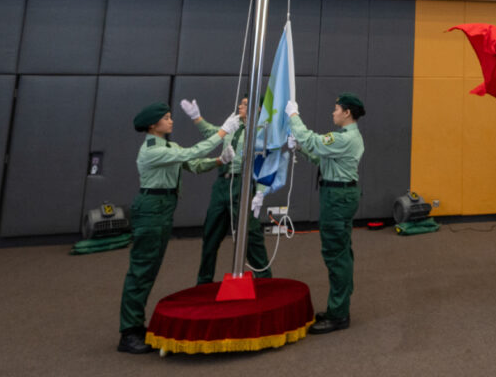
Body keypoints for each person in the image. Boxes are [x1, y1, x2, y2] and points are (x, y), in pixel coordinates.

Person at [117, 102, 241, 353]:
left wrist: (220, 160)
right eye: (166, 118)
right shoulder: (152, 150)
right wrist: (223, 132)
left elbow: (193, 165)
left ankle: (136, 325)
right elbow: (191, 153)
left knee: (150, 266)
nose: (171, 121)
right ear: (153, 125)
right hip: (152, 207)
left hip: (162, 207)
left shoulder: (168, 146)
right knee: (142, 269)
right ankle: (129, 332)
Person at [287, 93, 365, 334]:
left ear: (347, 113)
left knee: (336, 255)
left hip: (337, 198)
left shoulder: (345, 138)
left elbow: (313, 141)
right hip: (339, 195)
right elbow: (322, 159)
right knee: (341, 251)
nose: (333, 112)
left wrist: (293, 116)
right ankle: (337, 308)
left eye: (336, 109)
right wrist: (300, 148)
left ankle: (339, 314)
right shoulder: (344, 138)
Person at [193, 97, 272, 285]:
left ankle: (266, 281)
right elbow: (212, 132)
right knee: (210, 235)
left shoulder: (261, 133)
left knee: (251, 237)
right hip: (222, 184)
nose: (239, 106)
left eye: (244, 104)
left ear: (257, 108)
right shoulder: (233, 126)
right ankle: (203, 283)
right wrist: (197, 117)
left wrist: (260, 192)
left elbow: (265, 165)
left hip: (242, 185)